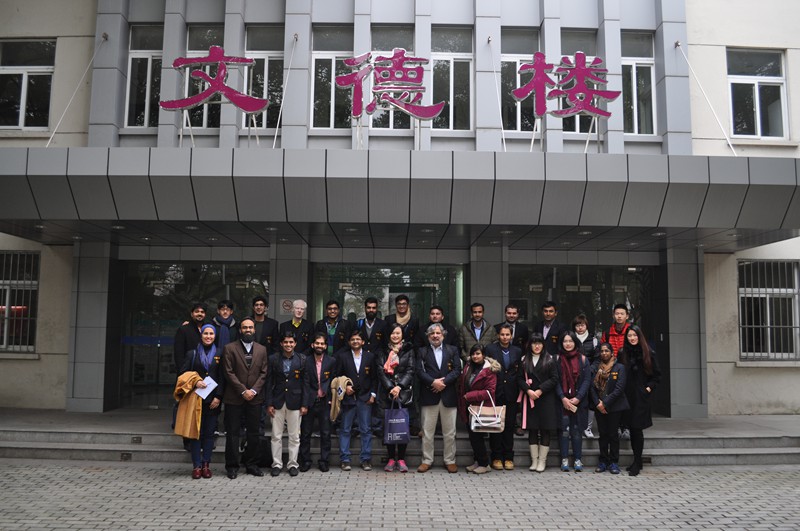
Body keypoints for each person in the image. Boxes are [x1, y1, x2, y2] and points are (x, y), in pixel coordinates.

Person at [222, 317, 269, 479]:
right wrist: (243, 391)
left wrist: (253, 391)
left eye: (250, 327)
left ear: (254, 330)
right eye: (244, 327)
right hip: (234, 397)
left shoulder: (262, 349)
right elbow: (228, 372)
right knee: (233, 433)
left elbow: (264, 373)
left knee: (254, 433)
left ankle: (252, 464)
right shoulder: (229, 348)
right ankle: (232, 466)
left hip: (255, 399)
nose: (248, 330)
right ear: (240, 330)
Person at [180, 323, 225, 479]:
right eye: (206, 333)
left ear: (215, 336)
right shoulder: (192, 354)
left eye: (211, 334)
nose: (208, 336)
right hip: (195, 400)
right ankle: (196, 466)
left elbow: (223, 377)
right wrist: (195, 382)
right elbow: (183, 374)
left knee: (209, 434)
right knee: (195, 434)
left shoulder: (220, 353)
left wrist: (219, 397)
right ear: (201, 335)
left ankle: (206, 464)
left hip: (213, 401)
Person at [417, 323, 462, 473]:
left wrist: (443, 382)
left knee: (450, 432)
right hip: (429, 395)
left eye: (438, 333)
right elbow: (419, 371)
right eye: (432, 334)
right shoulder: (422, 351)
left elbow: (457, 369)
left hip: (448, 395)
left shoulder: (452, 350)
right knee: (427, 432)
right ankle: (427, 460)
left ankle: (450, 460)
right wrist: (433, 382)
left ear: (443, 335)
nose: (435, 336)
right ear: (428, 336)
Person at [618, 325, 661, 476]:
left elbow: (657, 376)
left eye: (634, 335)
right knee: (631, 428)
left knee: (637, 429)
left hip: (641, 397)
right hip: (626, 397)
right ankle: (637, 461)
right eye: (629, 336)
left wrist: (648, 389)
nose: (632, 338)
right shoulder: (623, 353)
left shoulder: (648, 353)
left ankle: (637, 462)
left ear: (639, 336)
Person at [264, 332, 308, 477]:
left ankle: (293, 464)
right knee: (276, 435)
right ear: (281, 344)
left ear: (295, 344)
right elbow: (269, 382)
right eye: (286, 342)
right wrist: (269, 403)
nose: (288, 345)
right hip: (277, 401)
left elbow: (305, 383)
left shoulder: (302, 359)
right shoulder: (273, 359)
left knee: (294, 436)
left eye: (291, 342)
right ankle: (277, 464)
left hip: (295, 402)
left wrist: (304, 404)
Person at [336, 329, 379, 471]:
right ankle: (345, 459)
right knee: (345, 429)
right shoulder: (342, 357)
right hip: (348, 398)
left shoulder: (370, 357)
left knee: (365, 429)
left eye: (358, 339)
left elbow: (374, 378)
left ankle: (365, 459)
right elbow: (337, 377)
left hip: (365, 398)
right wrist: (345, 387)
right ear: (349, 342)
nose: (355, 341)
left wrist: (373, 395)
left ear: (363, 342)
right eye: (353, 339)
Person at [376, 323, 415, 473]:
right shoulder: (382, 350)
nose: (395, 336)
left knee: (402, 425)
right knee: (390, 426)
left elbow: (411, 370)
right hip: (387, 393)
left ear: (402, 334)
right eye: (393, 333)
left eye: (398, 333)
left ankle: (402, 459)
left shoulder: (408, 350)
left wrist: (399, 387)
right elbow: (380, 371)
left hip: (403, 393)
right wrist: (390, 388)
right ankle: (391, 458)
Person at [518, 334, 559, 472]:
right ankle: (534, 461)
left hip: (546, 398)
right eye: (534, 343)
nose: (537, 346)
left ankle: (542, 461)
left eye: (539, 343)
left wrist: (540, 390)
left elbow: (554, 379)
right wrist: (528, 390)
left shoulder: (550, 359)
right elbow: (519, 378)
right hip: (530, 398)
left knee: (545, 429)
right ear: (529, 345)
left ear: (543, 345)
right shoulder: (524, 360)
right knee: (533, 429)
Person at [458, 344, 500, 474]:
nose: (475, 356)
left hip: (481, 407)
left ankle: (484, 464)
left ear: (483, 355)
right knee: (473, 437)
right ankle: (477, 461)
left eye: (478, 354)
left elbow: (490, 391)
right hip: (468, 407)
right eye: (473, 354)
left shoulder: (489, 370)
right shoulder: (468, 366)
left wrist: (470, 396)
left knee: (477, 437)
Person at [485, 324, 521, 470]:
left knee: (509, 425)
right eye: (502, 334)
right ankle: (496, 457)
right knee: (496, 426)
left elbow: (519, 372)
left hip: (511, 392)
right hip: (496, 391)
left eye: (507, 335)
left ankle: (508, 457)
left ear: (511, 336)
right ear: (498, 335)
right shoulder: (490, 349)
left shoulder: (517, 351)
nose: (505, 337)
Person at [589, 342, 629, 475]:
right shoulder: (596, 367)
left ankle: (614, 462)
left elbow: (619, 389)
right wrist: (597, 403)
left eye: (607, 351)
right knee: (603, 435)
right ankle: (603, 461)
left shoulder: (619, 367)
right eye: (602, 351)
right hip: (599, 407)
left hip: (614, 407)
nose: (604, 353)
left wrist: (604, 403)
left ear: (612, 353)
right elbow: (591, 387)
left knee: (613, 435)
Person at [300, 333, 337, 472]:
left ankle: (324, 461)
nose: (319, 346)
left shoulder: (331, 361)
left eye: (322, 344)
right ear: (312, 345)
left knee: (326, 433)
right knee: (305, 433)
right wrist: (304, 404)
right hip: (310, 401)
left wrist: (332, 400)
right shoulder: (306, 361)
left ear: (326, 346)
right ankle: (306, 461)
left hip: (325, 402)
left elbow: (334, 381)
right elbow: (305, 383)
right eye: (317, 343)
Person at [555, 331, 590, 472]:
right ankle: (564, 459)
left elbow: (587, 380)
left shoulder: (583, 359)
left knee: (576, 431)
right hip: (562, 402)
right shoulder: (557, 359)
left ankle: (577, 459)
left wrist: (578, 397)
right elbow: (555, 380)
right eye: (565, 341)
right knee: (564, 431)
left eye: (570, 341)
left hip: (578, 402)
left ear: (575, 342)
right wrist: (562, 398)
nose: (568, 344)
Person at [601, 304, 632, 439]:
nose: (619, 316)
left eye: (622, 314)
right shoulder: (607, 333)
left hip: (629, 369)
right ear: (613, 315)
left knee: (627, 397)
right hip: (612, 369)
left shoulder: (631, 331)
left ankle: (627, 426)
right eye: (617, 313)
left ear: (627, 316)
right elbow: (602, 350)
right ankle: (617, 426)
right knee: (614, 396)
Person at [572, 313, 599, 438]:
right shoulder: (571, 339)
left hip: (590, 374)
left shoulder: (593, 340)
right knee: (576, 399)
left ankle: (588, 427)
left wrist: (590, 370)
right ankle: (576, 425)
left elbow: (597, 359)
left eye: (582, 325)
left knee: (591, 401)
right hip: (574, 375)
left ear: (586, 326)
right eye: (577, 325)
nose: (580, 328)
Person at [173, 302, 206, 372]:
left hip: (205, 370)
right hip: (188, 371)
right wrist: (182, 372)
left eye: (202, 312)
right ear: (192, 314)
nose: (200, 314)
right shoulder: (184, 329)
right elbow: (179, 354)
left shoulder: (208, 330)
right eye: (197, 311)